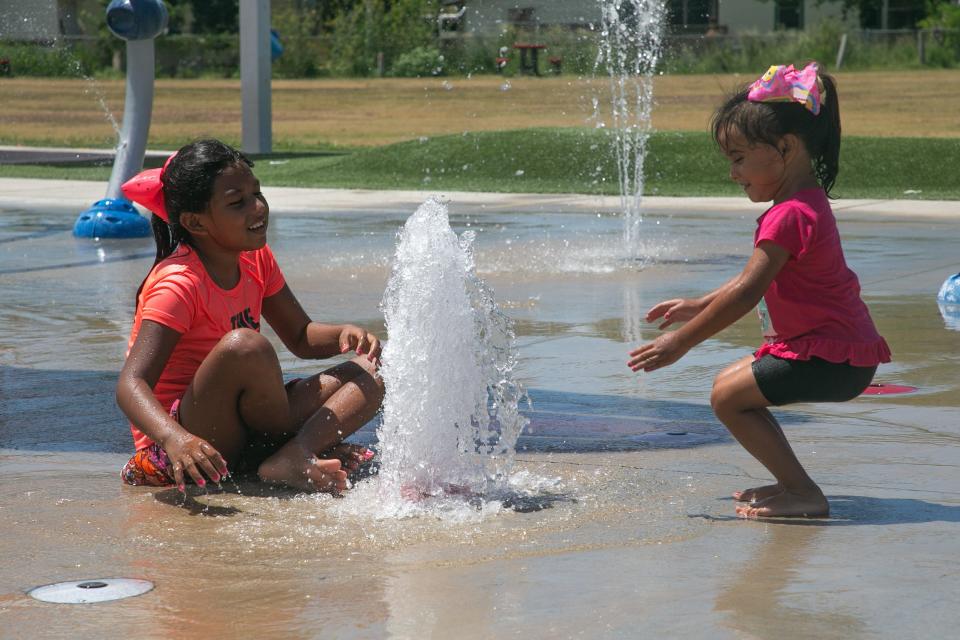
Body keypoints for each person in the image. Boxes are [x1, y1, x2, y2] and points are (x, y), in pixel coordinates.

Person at [627, 63, 891, 518]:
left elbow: (749, 292)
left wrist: (679, 343)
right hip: (834, 349)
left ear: (784, 148)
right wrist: (698, 305)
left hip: (830, 358)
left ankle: (802, 492)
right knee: (728, 387)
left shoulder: (788, 214)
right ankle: (792, 484)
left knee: (727, 399)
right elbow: (752, 280)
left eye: (739, 157)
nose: (733, 172)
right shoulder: (802, 204)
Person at [116, 139, 384, 494]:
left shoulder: (256, 259)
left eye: (257, 194)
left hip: (252, 427)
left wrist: (344, 335)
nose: (258, 207)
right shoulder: (178, 285)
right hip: (192, 445)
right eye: (237, 202)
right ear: (195, 222)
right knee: (245, 347)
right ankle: (289, 449)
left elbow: (301, 336)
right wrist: (175, 439)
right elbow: (130, 385)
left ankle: (293, 455)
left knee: (374, 372)